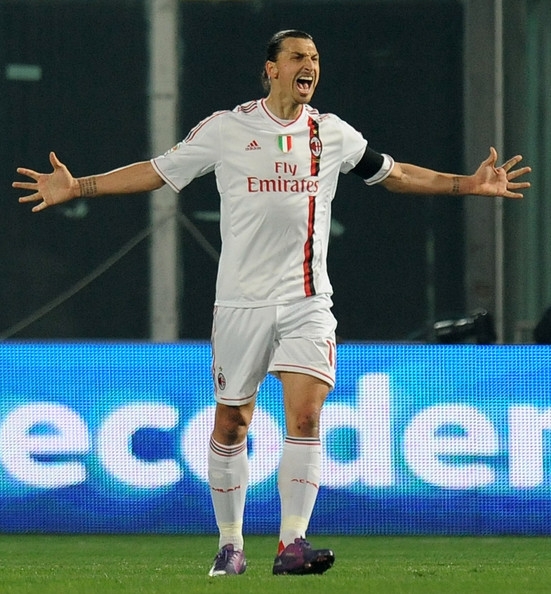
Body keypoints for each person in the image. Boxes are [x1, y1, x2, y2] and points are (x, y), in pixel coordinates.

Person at [13, 29, 531, 577]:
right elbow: (158, 171)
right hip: (241, 303)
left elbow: (395, 174)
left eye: (316, 58)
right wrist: (80, 187)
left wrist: (468, 185)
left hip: (308, 299)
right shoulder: (227, 128)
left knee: (306, 414)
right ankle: (231, 544)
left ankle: (292, 544)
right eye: (298, 57)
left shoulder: (331, 132)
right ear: (272, 69)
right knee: (232, 423)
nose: (310, 65)